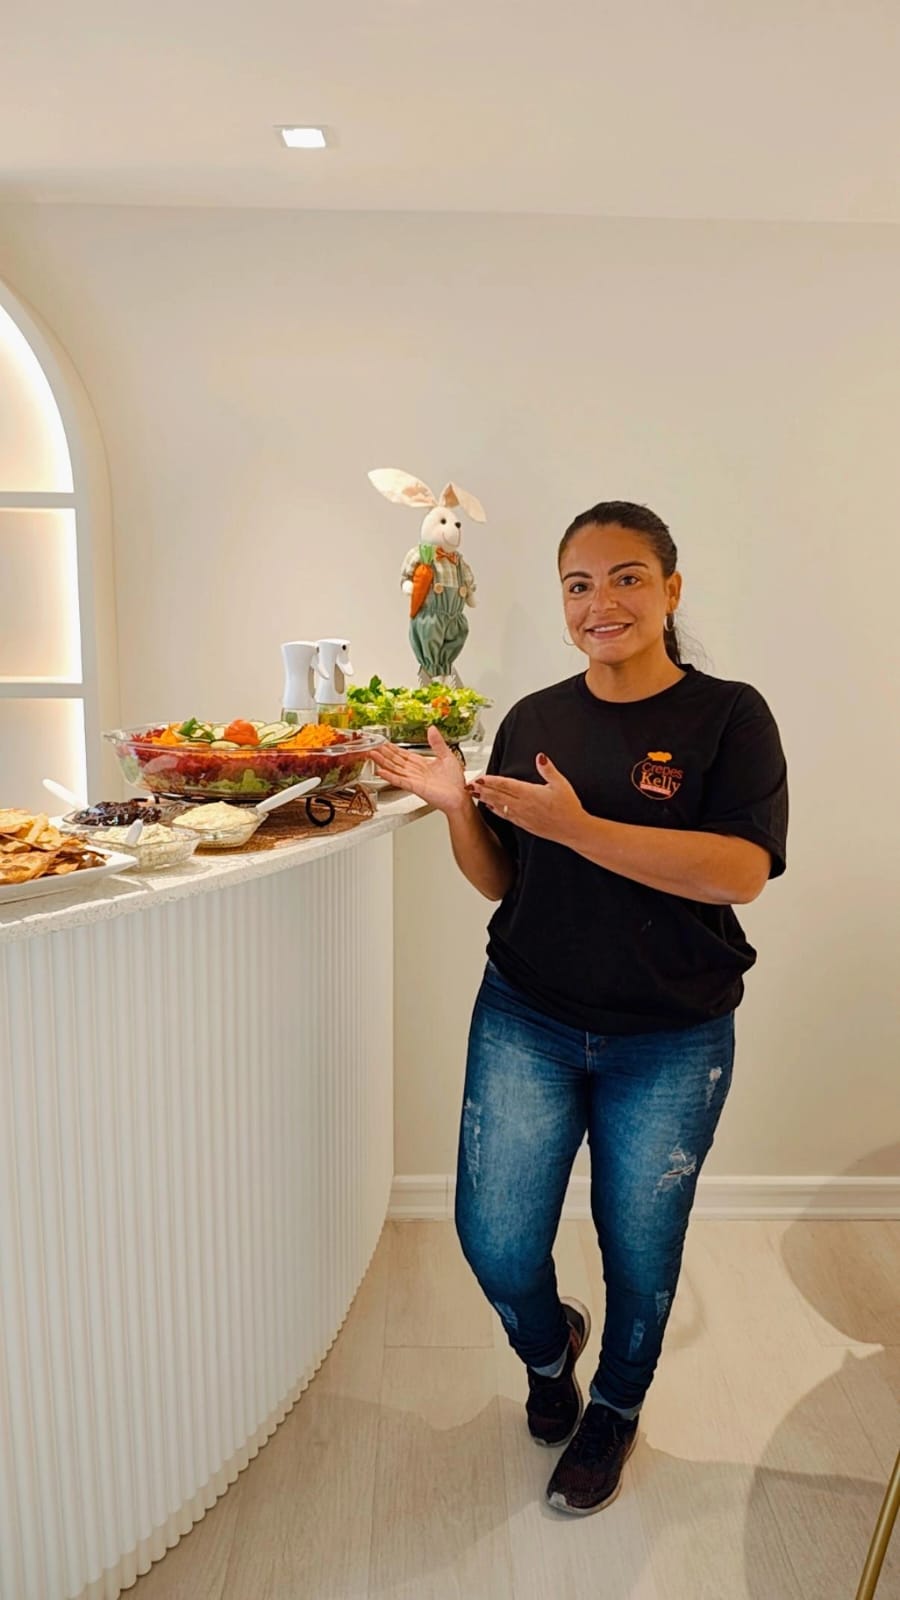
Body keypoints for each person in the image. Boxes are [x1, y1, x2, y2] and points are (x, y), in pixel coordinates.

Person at [368, 500, 788, 1517]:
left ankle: (614, 1408)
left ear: (671, 589)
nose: (603, 602)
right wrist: (459, 809)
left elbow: (739, 871)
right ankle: (549, 1351)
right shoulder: (534, 719)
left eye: (627, 577)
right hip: (529, 1015)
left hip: (673, 1036)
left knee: (640, 1250)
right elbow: (503, 881)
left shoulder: (730, 716)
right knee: (496, 1239)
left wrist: (581, 826)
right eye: (579, 584)